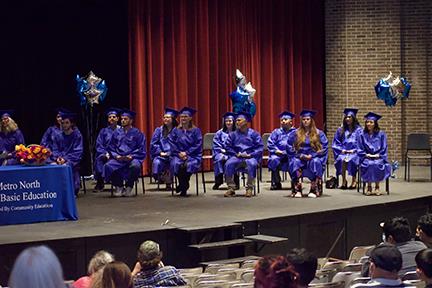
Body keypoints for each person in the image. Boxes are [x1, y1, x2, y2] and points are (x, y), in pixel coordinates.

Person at [104, 109, 146, 197]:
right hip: (119, 158)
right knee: (108, 165)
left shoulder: (137, 133)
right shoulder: (116, 133)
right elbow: (111, 147)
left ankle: (129, 186)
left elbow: (141, 148)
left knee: (135, 166)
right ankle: (119, 186)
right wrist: (116, 156)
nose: (123, 120)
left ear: (131, 121)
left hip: (132, 158)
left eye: (125, 119)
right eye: (122, 119)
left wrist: (132, 156)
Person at [287, 109, 328, 198]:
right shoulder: (295, 133)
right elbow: (289, 146)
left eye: (307, 119)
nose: (305, 121)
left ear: (311, 120)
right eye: (304, 119)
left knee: (316, 162)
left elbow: (324, 148)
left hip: (313, 157)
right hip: (300, 157)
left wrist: (313, 155)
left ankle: (313, 189)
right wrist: (300, 155)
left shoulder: (318, 133)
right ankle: (298, 189)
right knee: (295, 162)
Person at [224, 112, 263, 198]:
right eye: (236, 120)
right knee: (228, 164)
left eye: (239, 120)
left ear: (245, 122)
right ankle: (231, 188)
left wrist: (251, 154)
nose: (237, 122)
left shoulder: (254, 134)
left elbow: (260, 148)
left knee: (252, 164)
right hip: (237, 157)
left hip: (250, 157)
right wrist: (235, 153)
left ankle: (249, 188)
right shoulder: (233, 135)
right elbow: (227, 147)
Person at [169, 107, 202, 197]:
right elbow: (172, 143)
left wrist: (187, 153)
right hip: (177, 155)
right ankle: (184, 185)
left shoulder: (196, 131)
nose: (183, 118)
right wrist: (179, 153)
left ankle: (182, 185)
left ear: (190, 118)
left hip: (193, 155)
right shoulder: (175, 130)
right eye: (182, 116)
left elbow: (198, 144)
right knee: (176, 164)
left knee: (188, 165)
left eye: (185, 116)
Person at [357, 112, 391, 196]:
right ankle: (369, 186)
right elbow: (359, 147)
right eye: (367, 122)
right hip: (366, 157)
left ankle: (377, 187)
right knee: (368, 164)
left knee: (377, 164)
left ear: (375, 123)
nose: (368, 124)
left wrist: (378, 155)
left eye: (371, 122)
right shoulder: (362, 134)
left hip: (378, 157)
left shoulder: (381, 134)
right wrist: (365, 154)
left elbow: (384, 147)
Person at [50, 112, 83, 196]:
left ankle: (71, 190)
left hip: (72, 160)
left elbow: (77, 152)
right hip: (60, 159)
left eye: (67, 123)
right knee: (51, 164)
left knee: (67, 166)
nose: (64, 125)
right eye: (62, 123)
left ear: (71, 123)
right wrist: (58, 158)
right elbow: (55, 149)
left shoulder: (77, 135)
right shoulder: (58, 135)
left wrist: (65, 159)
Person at [332, 108, 362, 189]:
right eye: (346, 117)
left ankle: (354, 180)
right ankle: (344, 180)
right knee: (341, 160)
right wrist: (342, 150)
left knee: (352, 160)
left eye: (349, 117)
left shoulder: (359, 130)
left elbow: (362, 143)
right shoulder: (340, 130)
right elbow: (336, 142)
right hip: (344, 152)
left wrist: (354, 150)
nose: (347, 119)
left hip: (355, 152)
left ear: (354, 118)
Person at [150, 108, 178, 190]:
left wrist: (172, 152)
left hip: (173, 155)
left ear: (173, 119)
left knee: (173, 163)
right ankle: (161, 177)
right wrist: (160, 152)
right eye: (164, 117)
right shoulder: (159, 130)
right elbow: (154, 143)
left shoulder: (178, 131)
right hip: (161, 155)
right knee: (157, 163)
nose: (165, 119)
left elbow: (180, 144)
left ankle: (169, 182)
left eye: (168, 117)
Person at [93, 108, 120, 192]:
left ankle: (118, 183)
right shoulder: (103, 131)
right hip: (106, 154)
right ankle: (100, 182)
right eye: (110, 117)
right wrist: (106, 153)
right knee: (99, 158)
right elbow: (99, 145)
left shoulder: (122, 131)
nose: (112, 118)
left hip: (118, 154)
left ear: (117, 119)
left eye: (114, 117)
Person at [268, 111, 296, 190]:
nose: (283, 121)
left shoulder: (296, 132)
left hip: (291, 154)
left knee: (295, 161)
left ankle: (295, 181)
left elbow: (299, 144)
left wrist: (290, 151)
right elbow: (270, 143)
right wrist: (276, 151)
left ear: (291, 122)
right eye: (281, 120)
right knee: (273, 159)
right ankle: (276, 183)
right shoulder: (276, 132)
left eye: (285, 119)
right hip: (278, 154)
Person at [212, 112, 238, 190]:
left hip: (233, 153)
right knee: (219, 159)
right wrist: (221, 150)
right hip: (221, 152)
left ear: (233, 122)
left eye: (230, 121)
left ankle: (235, 182)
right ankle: (218, 181)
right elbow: (216, 144)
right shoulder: (219, 133)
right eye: (226, 121)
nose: (228, 122)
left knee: (232, 160)